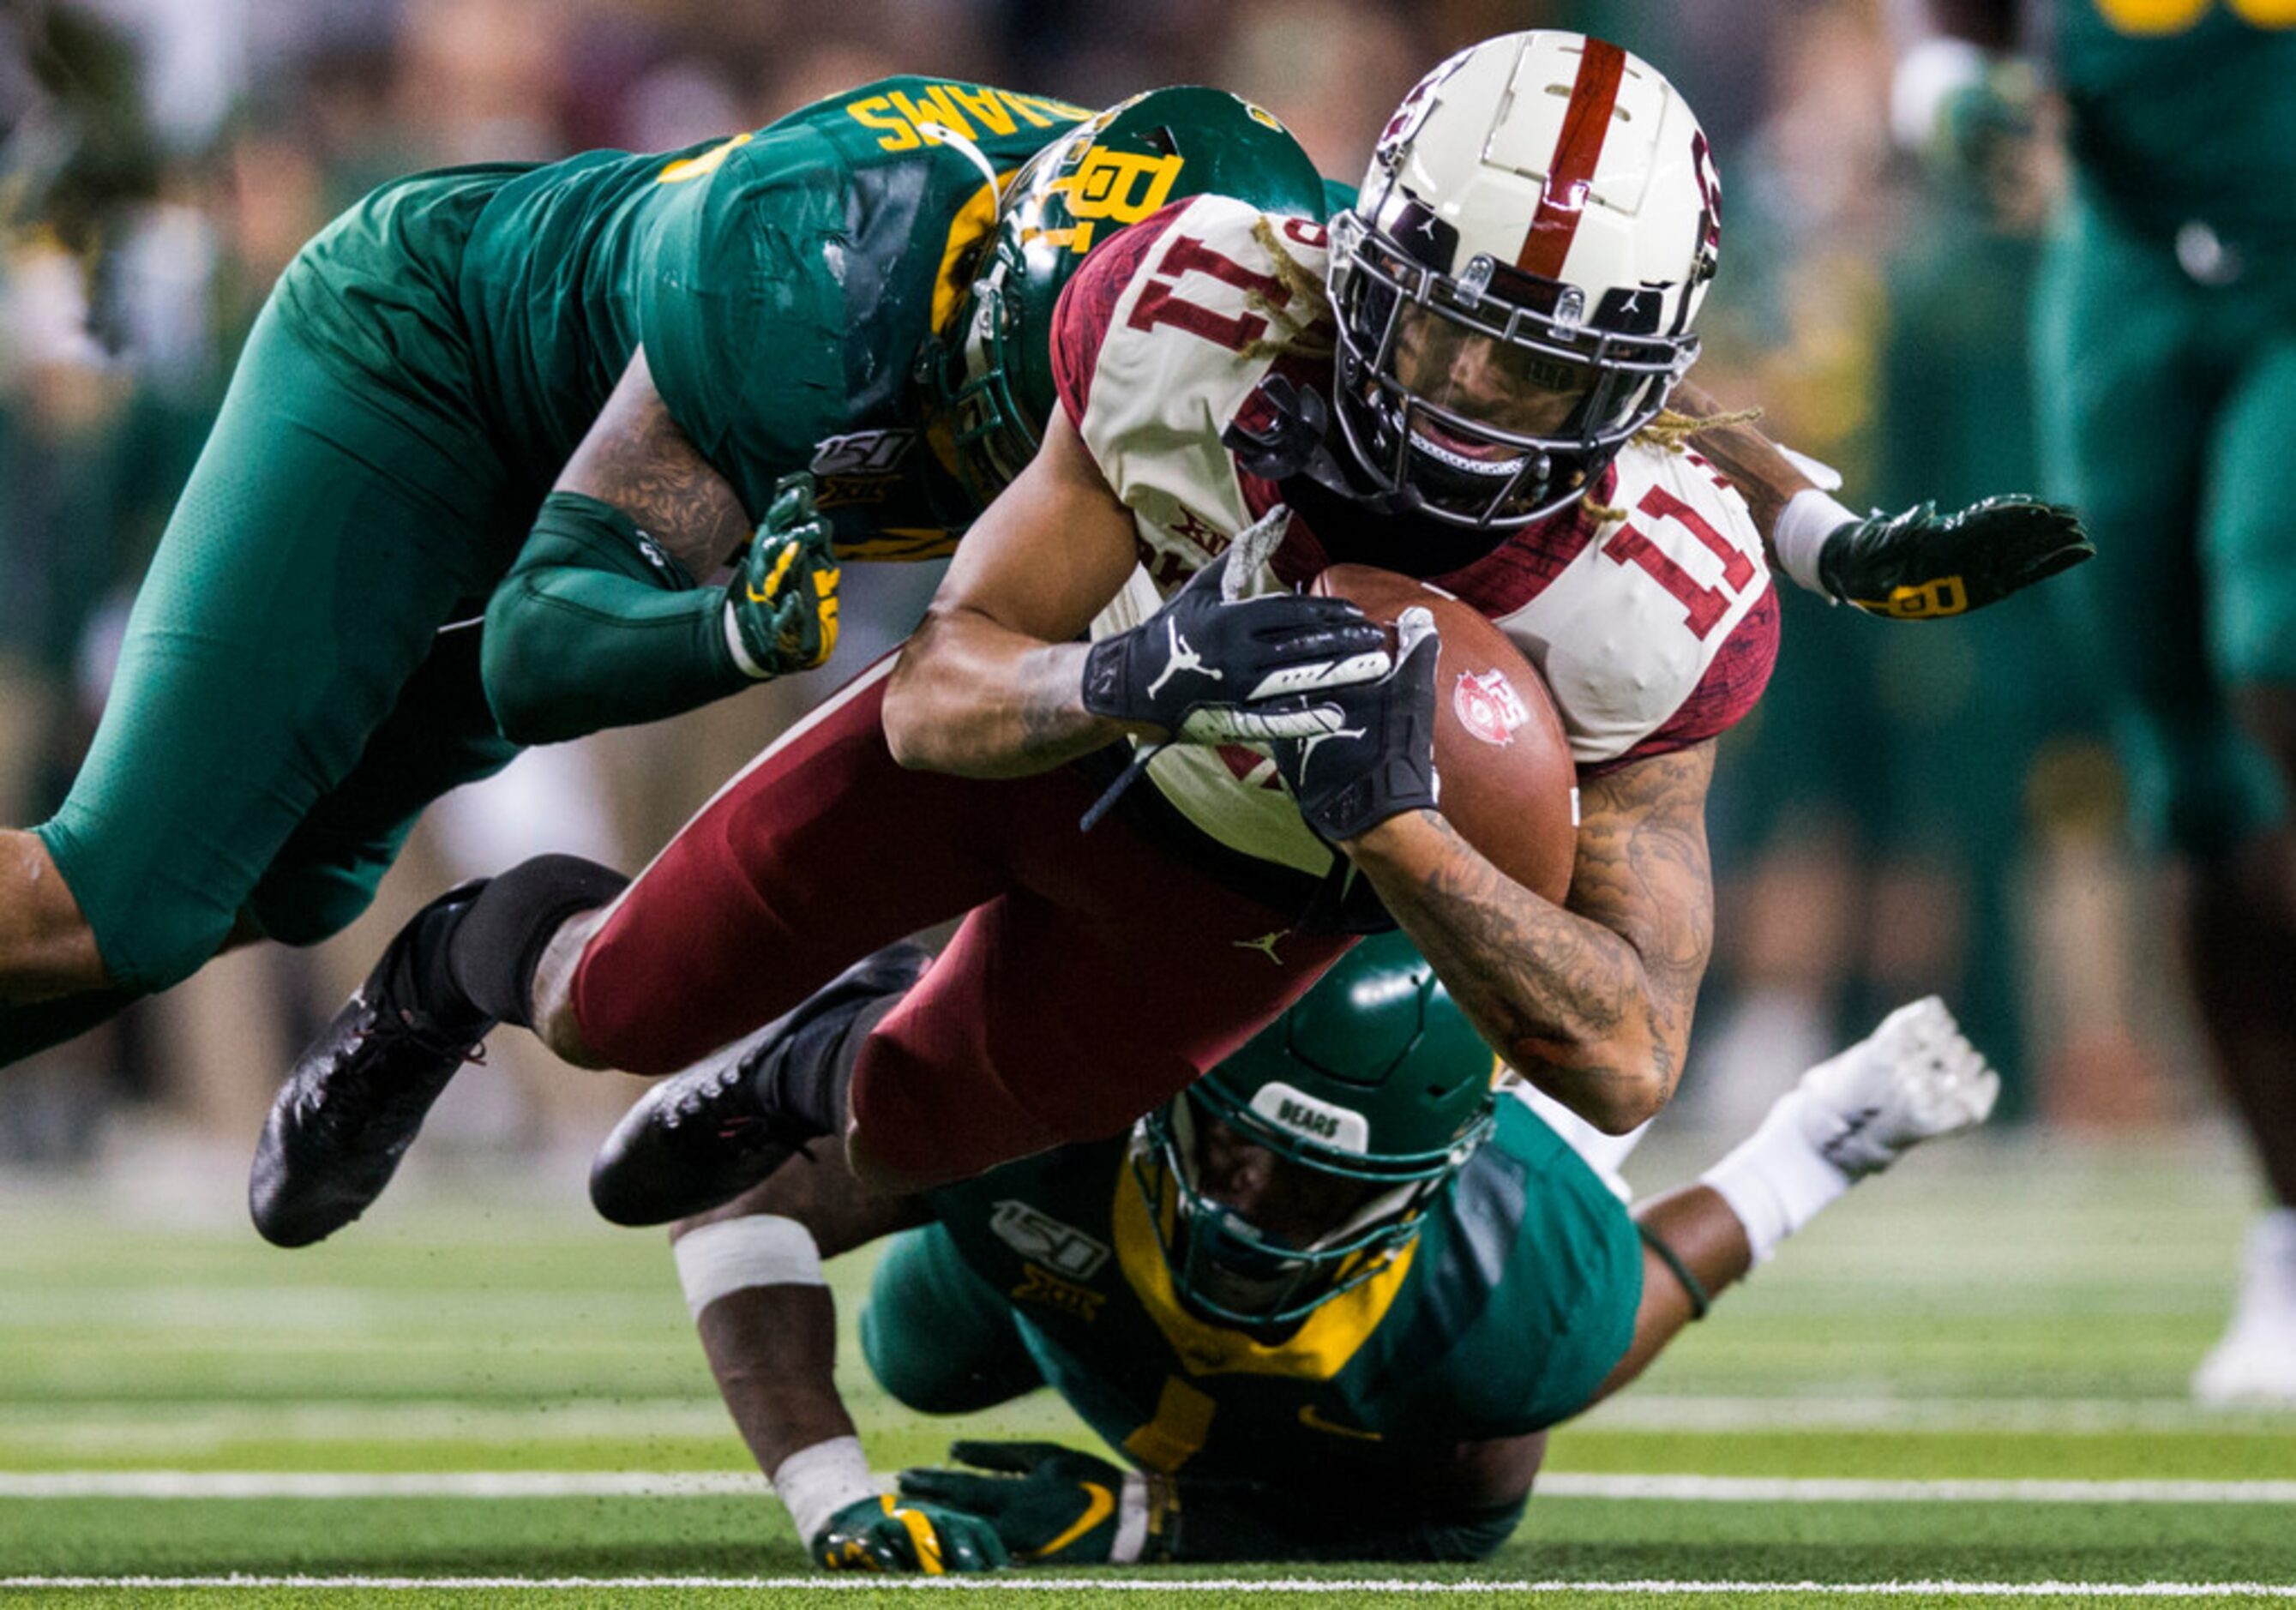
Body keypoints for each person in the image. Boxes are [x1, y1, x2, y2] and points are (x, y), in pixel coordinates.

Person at [252, 31, 2083, 1249]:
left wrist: (1403, 831)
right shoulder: (1206, 308)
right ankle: (457, 966)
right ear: (1361, 251)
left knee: (878, 1144)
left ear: (1636, 392)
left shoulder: (1654, 593)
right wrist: (1126, 677)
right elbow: (951, 678)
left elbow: (1623, 1055)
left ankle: (817, 1057)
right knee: (610, 1011)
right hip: (1058, 738)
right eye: (1438, 323)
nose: (1459, 393)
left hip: (1250, 896)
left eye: (1534, 366)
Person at [0, 76, 1342, 1069]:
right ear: (997, 284)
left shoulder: (1316, 284)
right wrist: (730, 639)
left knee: (280, 886)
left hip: (633, 476)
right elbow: (534, 642)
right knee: (124, 898)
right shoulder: (812, 267)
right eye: (1050, 384)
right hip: (435, 380)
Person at [649, 936, 1996, 1571]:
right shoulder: (1045, 1100)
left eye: (1311, 1189)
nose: (1250, 1201)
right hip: (1069, 1248)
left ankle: (1822, 1137)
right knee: (914, 1357)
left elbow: (1457, 1523)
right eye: (1235, 1149)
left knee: (1536, 1353)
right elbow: (733, 1206)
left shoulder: (1508, 1300)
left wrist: (1151, 1524)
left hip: (1365, 1339)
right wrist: (828, 1494)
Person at [1897, 0, 2296, 1403]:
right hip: (2124, 286)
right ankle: (2286, 1232)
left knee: (2276, 657)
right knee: (2187, 784)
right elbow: (1946, 45)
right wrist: (1952, 103)